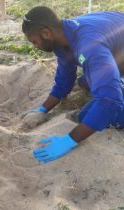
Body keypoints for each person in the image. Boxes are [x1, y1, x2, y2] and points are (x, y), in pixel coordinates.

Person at [21, 6, 124, 163]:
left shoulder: (89, 45)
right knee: (85, 81)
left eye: (34, 41)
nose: (34, 46)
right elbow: (65, 78)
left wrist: (70, 140)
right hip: (117, 46)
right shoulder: (64, 36)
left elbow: (110, 101)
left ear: (46, 33)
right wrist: (44, 108)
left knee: (90, 114)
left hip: (109, 49)